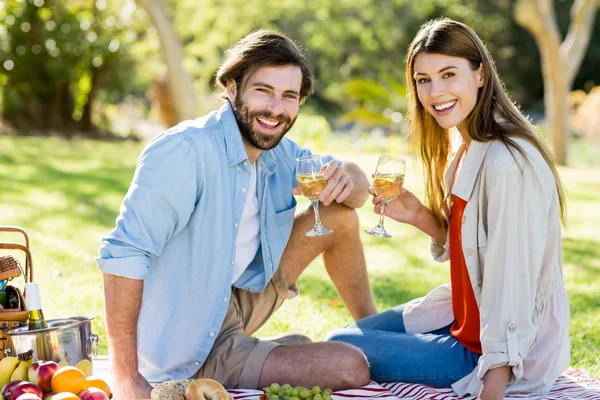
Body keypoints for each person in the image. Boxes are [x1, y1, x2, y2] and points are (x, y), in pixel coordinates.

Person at [97, 30, 377, 400]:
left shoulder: (278, 152)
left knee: (339, 215)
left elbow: (355, 188)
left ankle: (374, 332)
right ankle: (252, 357)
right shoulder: (186, 152)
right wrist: (126, 376)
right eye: (263, 90)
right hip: (185, 342)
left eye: (289, 96)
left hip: (235, 299)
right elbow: (124, 254)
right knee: (350, 366)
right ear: (231, 87)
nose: (276, 109)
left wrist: (349, 177)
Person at [326, 18, 570, 400]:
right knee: (346, 338)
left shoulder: (507, 164)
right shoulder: (467, 146)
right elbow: (475, 245)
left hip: (486, 352)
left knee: (338, 348)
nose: (434, 91)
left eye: (448, 74)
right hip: (461, 318)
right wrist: (421, 216)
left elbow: (512, 282)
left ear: (480, 75)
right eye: (423, 80)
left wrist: (493, 386)